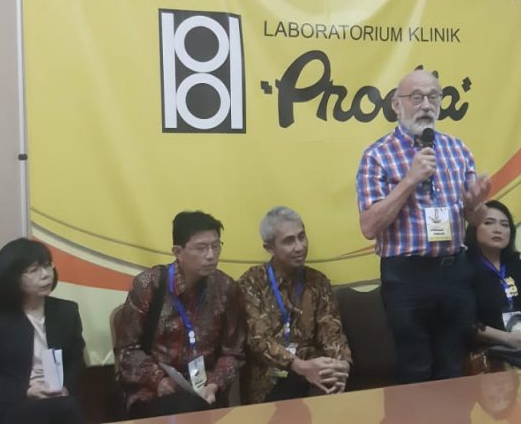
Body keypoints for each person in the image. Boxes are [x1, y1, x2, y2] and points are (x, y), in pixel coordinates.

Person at [355, 68, 492, 383]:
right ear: (396, 104)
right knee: (415, 370)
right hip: (407, 276)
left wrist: (476, 204)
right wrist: (410, 180)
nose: (426, 105)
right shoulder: (377, 155)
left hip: (454, 272)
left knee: (454, 369)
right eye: (416, 98)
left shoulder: (458, 150)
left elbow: (476, 220)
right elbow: (369, 226)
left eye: (433, 97)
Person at [113, 211, 244, 419]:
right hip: (153, 393)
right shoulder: (149, 285)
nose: (211, 255)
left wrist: (214, 384)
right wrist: (159, 380)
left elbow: (233, 351)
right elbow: (127, 350)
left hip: (206, 393)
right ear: (178, 252)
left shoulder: (226, 287)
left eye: (216, 246)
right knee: (188, 409)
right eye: (201, 248)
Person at [238, 206, 351, 404]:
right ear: (269, 248)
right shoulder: (252, 282)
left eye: (302, 237)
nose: (299, 247)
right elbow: (258, 340)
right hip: (270, 378)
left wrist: (341, 364)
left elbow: (331, 330)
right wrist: (298, 365)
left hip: (313, 372)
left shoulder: (318, 281)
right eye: (289, 241)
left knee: (333, 389)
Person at [0, 238, 85, 424]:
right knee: (67, 409)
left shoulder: (66, 312)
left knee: (66, 406)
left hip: (56, 399)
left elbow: (75, 360)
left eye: (47, 266)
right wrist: (26, 390)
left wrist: (66, 388)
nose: (45, 275)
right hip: (9, 404)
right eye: (33, 270)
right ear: (11, 277)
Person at [465, 200, 521, 365]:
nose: (498, 229)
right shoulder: (464, 269)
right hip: (490, 353)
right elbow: (465, 322)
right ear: (474, 229)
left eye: (504, 225)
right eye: (489, 223)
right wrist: (507, 338)